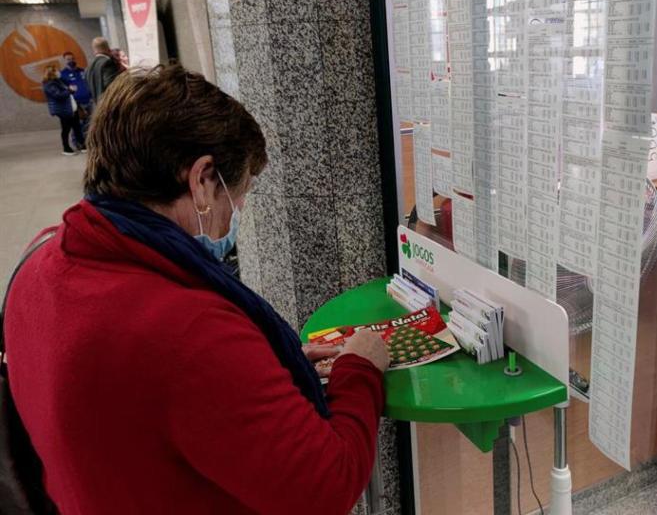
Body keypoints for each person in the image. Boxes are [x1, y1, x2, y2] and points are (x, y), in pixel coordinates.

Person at [5, 65, 389, 514]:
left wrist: (253, 372)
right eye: (241, 190)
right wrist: (360, 371)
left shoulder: (41, 260)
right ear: (202, 180)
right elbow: (327, 487)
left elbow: (143, 399)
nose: (240, 209)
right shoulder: (185, 329)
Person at [41, 64, 85, 156]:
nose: (58, 72)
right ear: (51, 73)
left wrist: (70, 88)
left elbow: (68, 83)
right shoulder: (49, 84)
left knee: (77, 127)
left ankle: (82, 145)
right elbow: (58, 95)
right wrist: (70, 90)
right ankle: (66, 148)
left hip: (71, 108)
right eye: (56, 71)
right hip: (63, 110)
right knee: (66, 129)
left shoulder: (58, 81)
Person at [60, 51, 92, 147]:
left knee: (88, 124)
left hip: (88, 101)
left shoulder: (82, 71)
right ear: (65, 61)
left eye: (72, 59)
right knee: (77, 124)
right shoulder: (63, 74)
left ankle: (87, 142)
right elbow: (63, 90)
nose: (71, 61)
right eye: (68, 59)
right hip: (75, 103)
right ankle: (77, 143)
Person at [84, 36, 121, 103]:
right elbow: (112, 86)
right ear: (108, 48)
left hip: (98, 106)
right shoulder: (108, 63)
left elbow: (88, 89)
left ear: (94, 50)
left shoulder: (88, 67)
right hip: (109, 105)